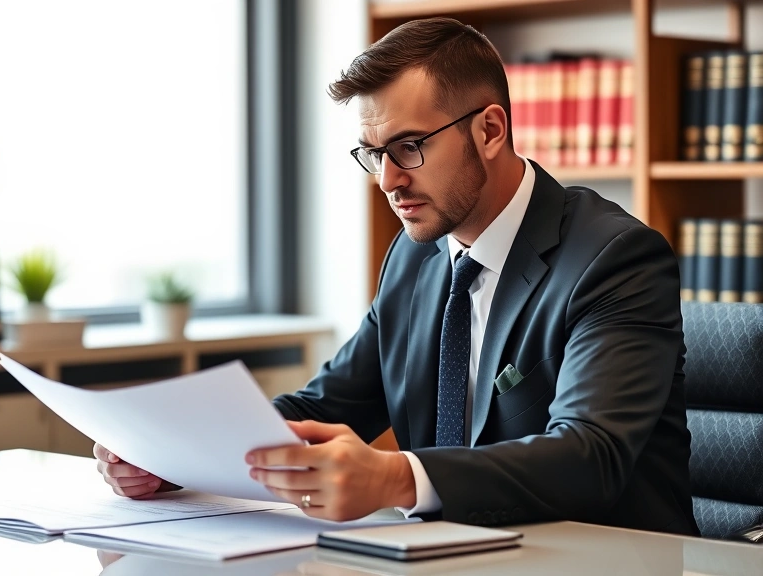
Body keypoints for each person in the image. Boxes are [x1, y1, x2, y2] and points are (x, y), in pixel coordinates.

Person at [94, 17, 699, 536]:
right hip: (448, 560)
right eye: (373, 153)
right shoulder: (417, 257)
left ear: (490, 131)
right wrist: (175, 454)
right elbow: (328, 403)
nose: (388, 180)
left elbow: (590, 457)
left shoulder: (615, 258)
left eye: (409, 147)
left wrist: (394, 476)